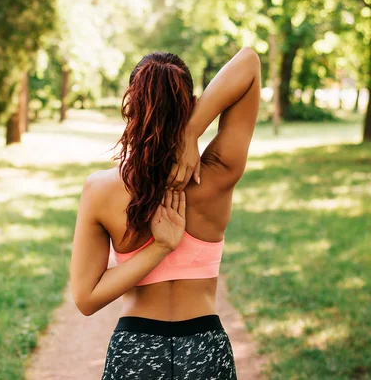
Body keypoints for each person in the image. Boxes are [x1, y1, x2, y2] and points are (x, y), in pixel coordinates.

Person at [70, 47, 261, 379]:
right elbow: (249, 63)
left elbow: (86, 299)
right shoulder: (217, 173)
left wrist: (157, 249)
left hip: (134, 352)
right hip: (205, 348)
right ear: (190, 105)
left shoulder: (100, 190)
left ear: (130, 108)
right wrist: (192, 130)